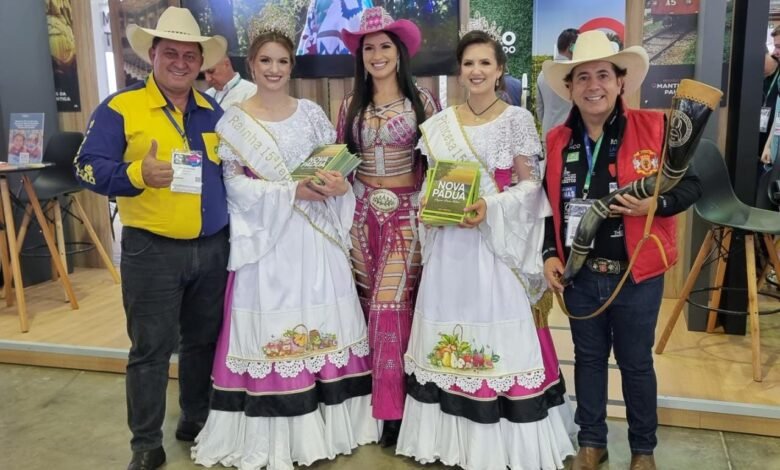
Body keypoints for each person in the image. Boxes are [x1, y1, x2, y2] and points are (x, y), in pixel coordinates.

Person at [190, 22, 379, 469]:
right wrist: (289, 192)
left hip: (316, 239)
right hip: (268, 242)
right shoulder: (234, 121)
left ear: (291, 65)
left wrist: (337, 183)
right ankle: (274, 429)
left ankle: (334, 424)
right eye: (265, 61)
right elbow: (232, 185)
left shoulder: (312, 112)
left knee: (322, 320)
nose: (273, 69)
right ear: (251, 65)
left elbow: (333, 164)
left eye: (282, 61)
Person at [396, 28, 577, 470]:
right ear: (460, 70)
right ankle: (449, 439)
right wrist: (429, 207)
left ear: (499, 71)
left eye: (485, 63)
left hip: (494, 249)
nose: (476, 71)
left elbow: (531, 187)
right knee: (449, 333)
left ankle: (502, 445)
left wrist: (489, 206)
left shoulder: (516, 120)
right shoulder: (440, 124)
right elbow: (431, 186)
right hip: (451, 250)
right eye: (469, 63)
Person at [73, 7, 229, 470]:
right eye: (171, 53)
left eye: (189, 55)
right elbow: (84, 167)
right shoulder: (120, 108)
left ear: (200, 62)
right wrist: (136, 173)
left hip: (213, 248)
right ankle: (145, 444)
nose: (180, 62)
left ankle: (195, 420)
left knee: (203, 343)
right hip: (151, 251)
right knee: (151, 350)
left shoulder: (212, 112)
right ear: (153, 55)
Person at [541, 31, 702, 470]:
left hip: (637, 273)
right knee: (589, 361)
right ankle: (592, 442)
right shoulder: (556, 140)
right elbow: (545, 208)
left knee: (635, 364)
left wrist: (658, 203)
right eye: (583, 78)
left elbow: (692, 185)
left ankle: (643, 450)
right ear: (570, 88)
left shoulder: (657, 127)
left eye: (603, 76)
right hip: (579, 273)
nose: (594, 86)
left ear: (621, 82)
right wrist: (548, 255)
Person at [337, 6, 439, 447]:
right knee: (362, 309)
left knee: (389, 308)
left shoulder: (424, 102)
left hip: (405, 216)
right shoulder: (349, 105)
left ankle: (396, 412)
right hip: (360, 216)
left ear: (399, 53)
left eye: (384, 47)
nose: (376, 55)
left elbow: (438, 164)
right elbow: (341, 161)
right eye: (368, 48)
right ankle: (370, 412)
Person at [536, 28, 579, 141]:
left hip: (548, 134)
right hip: (572, 135)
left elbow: (539, 108)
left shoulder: (543, 73)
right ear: (572, 46)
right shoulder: (576, 72)